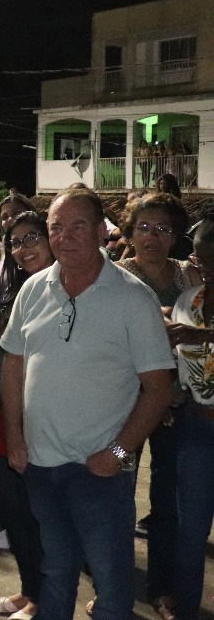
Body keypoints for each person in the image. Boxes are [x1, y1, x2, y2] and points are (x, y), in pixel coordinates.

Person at [0, 188, 173, 620]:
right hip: (41, 465)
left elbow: (158, 388)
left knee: (112, 584)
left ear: (101, 231)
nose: (66, 236)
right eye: (56, 227)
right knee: (56, 570)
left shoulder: (133, 298)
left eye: (78, 225)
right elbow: (12, 365)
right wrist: (15, 437)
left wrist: (118, 453)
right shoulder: (33, 290)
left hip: (100, 471)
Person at [114, 191, 194, 620]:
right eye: (144, 227)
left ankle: (162, 589)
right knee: (117, 498)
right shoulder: (113, 277)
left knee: (168, 503)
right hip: (125, 406)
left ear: (176, 236)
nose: (152, 237)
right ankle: (114, 590)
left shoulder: (189, 279)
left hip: (177, 408)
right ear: (129, 231)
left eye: (163, 229)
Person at [0, 211, 50, 620]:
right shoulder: (13, 292)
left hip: (41, 421)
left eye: (32, 237)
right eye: (16, 242)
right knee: (13, 510)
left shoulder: (66, 291)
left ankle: (43, 600)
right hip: (2, 418)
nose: (23, 249)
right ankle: (28, 591)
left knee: (39, 516)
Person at [168, 212, 214, 620]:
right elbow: (182, 366)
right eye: (200, 261)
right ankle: (186, 610)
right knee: (191, 532)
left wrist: (207, 336)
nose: (206, 269)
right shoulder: (190, 302)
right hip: (197, 428)